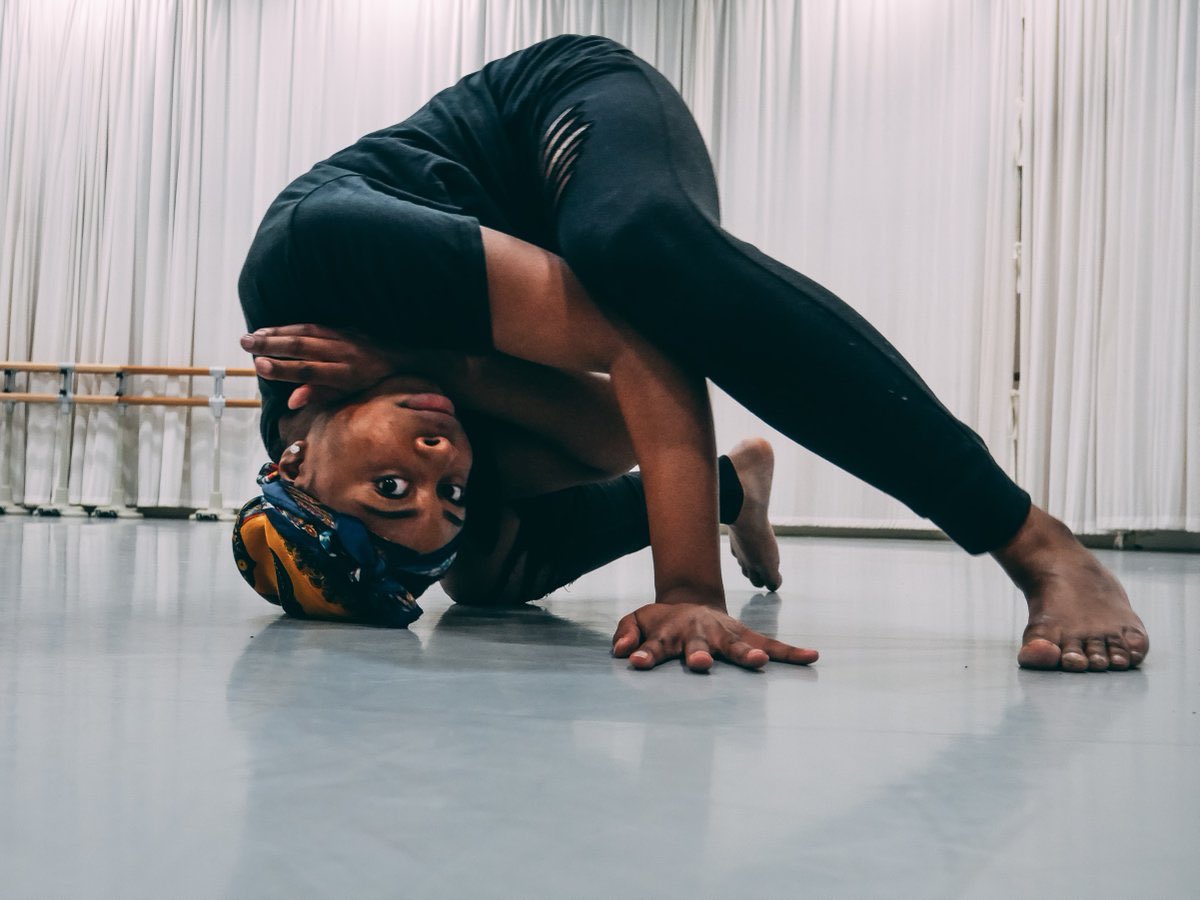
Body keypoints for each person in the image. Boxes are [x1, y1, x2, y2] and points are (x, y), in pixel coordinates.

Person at [236, 34, 1148, 674]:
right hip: (475, 322)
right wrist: (452, 368)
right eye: (448, 499)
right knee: (486, 576)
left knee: (637, 249)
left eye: (394, 487)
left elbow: (636, 342)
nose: (439, 469)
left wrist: (686, 587)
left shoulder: (318, 250)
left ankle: (1033, 541)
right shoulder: (410, 414)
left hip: (558, 112)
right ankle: (731, 486)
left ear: (292, 456)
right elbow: (610, 435)